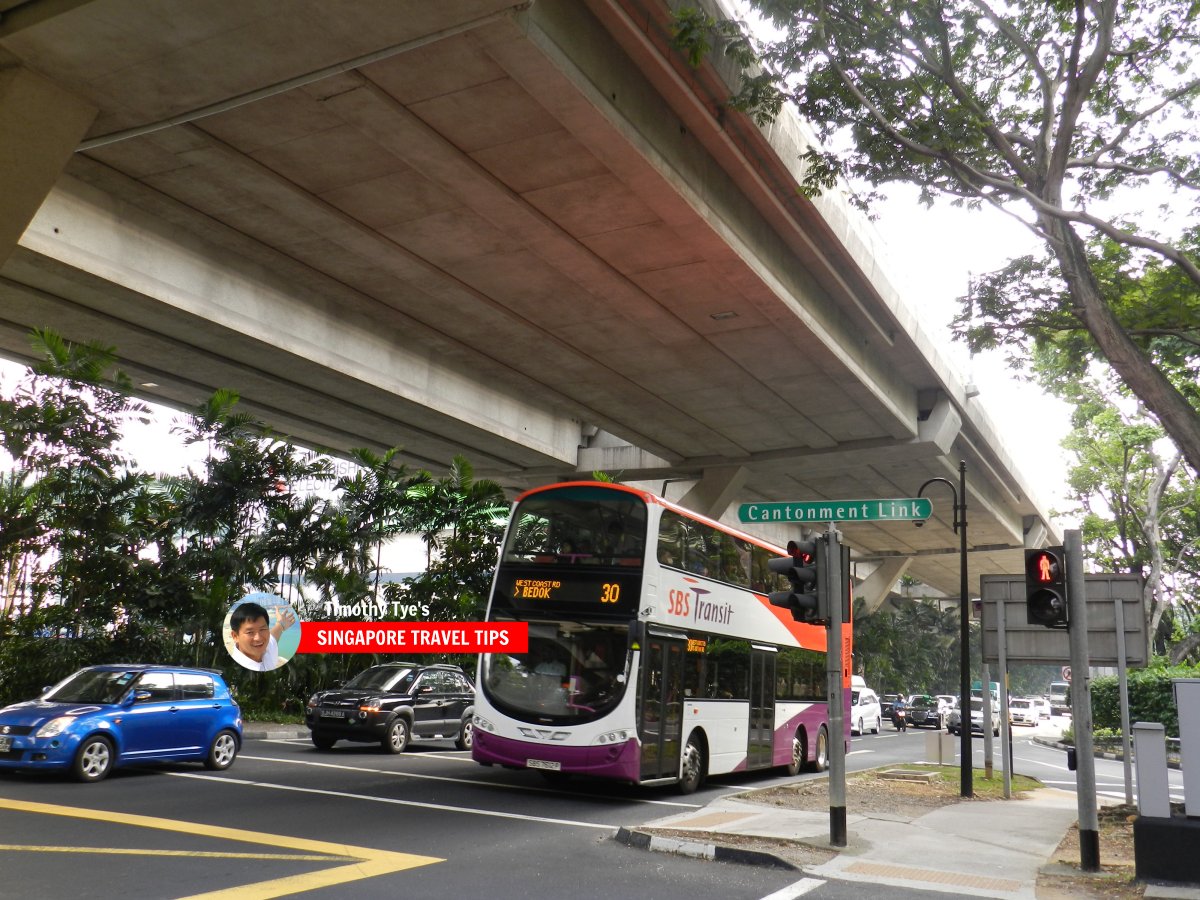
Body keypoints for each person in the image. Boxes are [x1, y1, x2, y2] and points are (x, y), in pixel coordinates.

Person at [228, 601, 295, 671]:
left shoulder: (267, 648)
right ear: (235, 636)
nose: (258, 638)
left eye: (262, 629)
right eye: (250, 632)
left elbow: (273, 636)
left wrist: (281, 624)